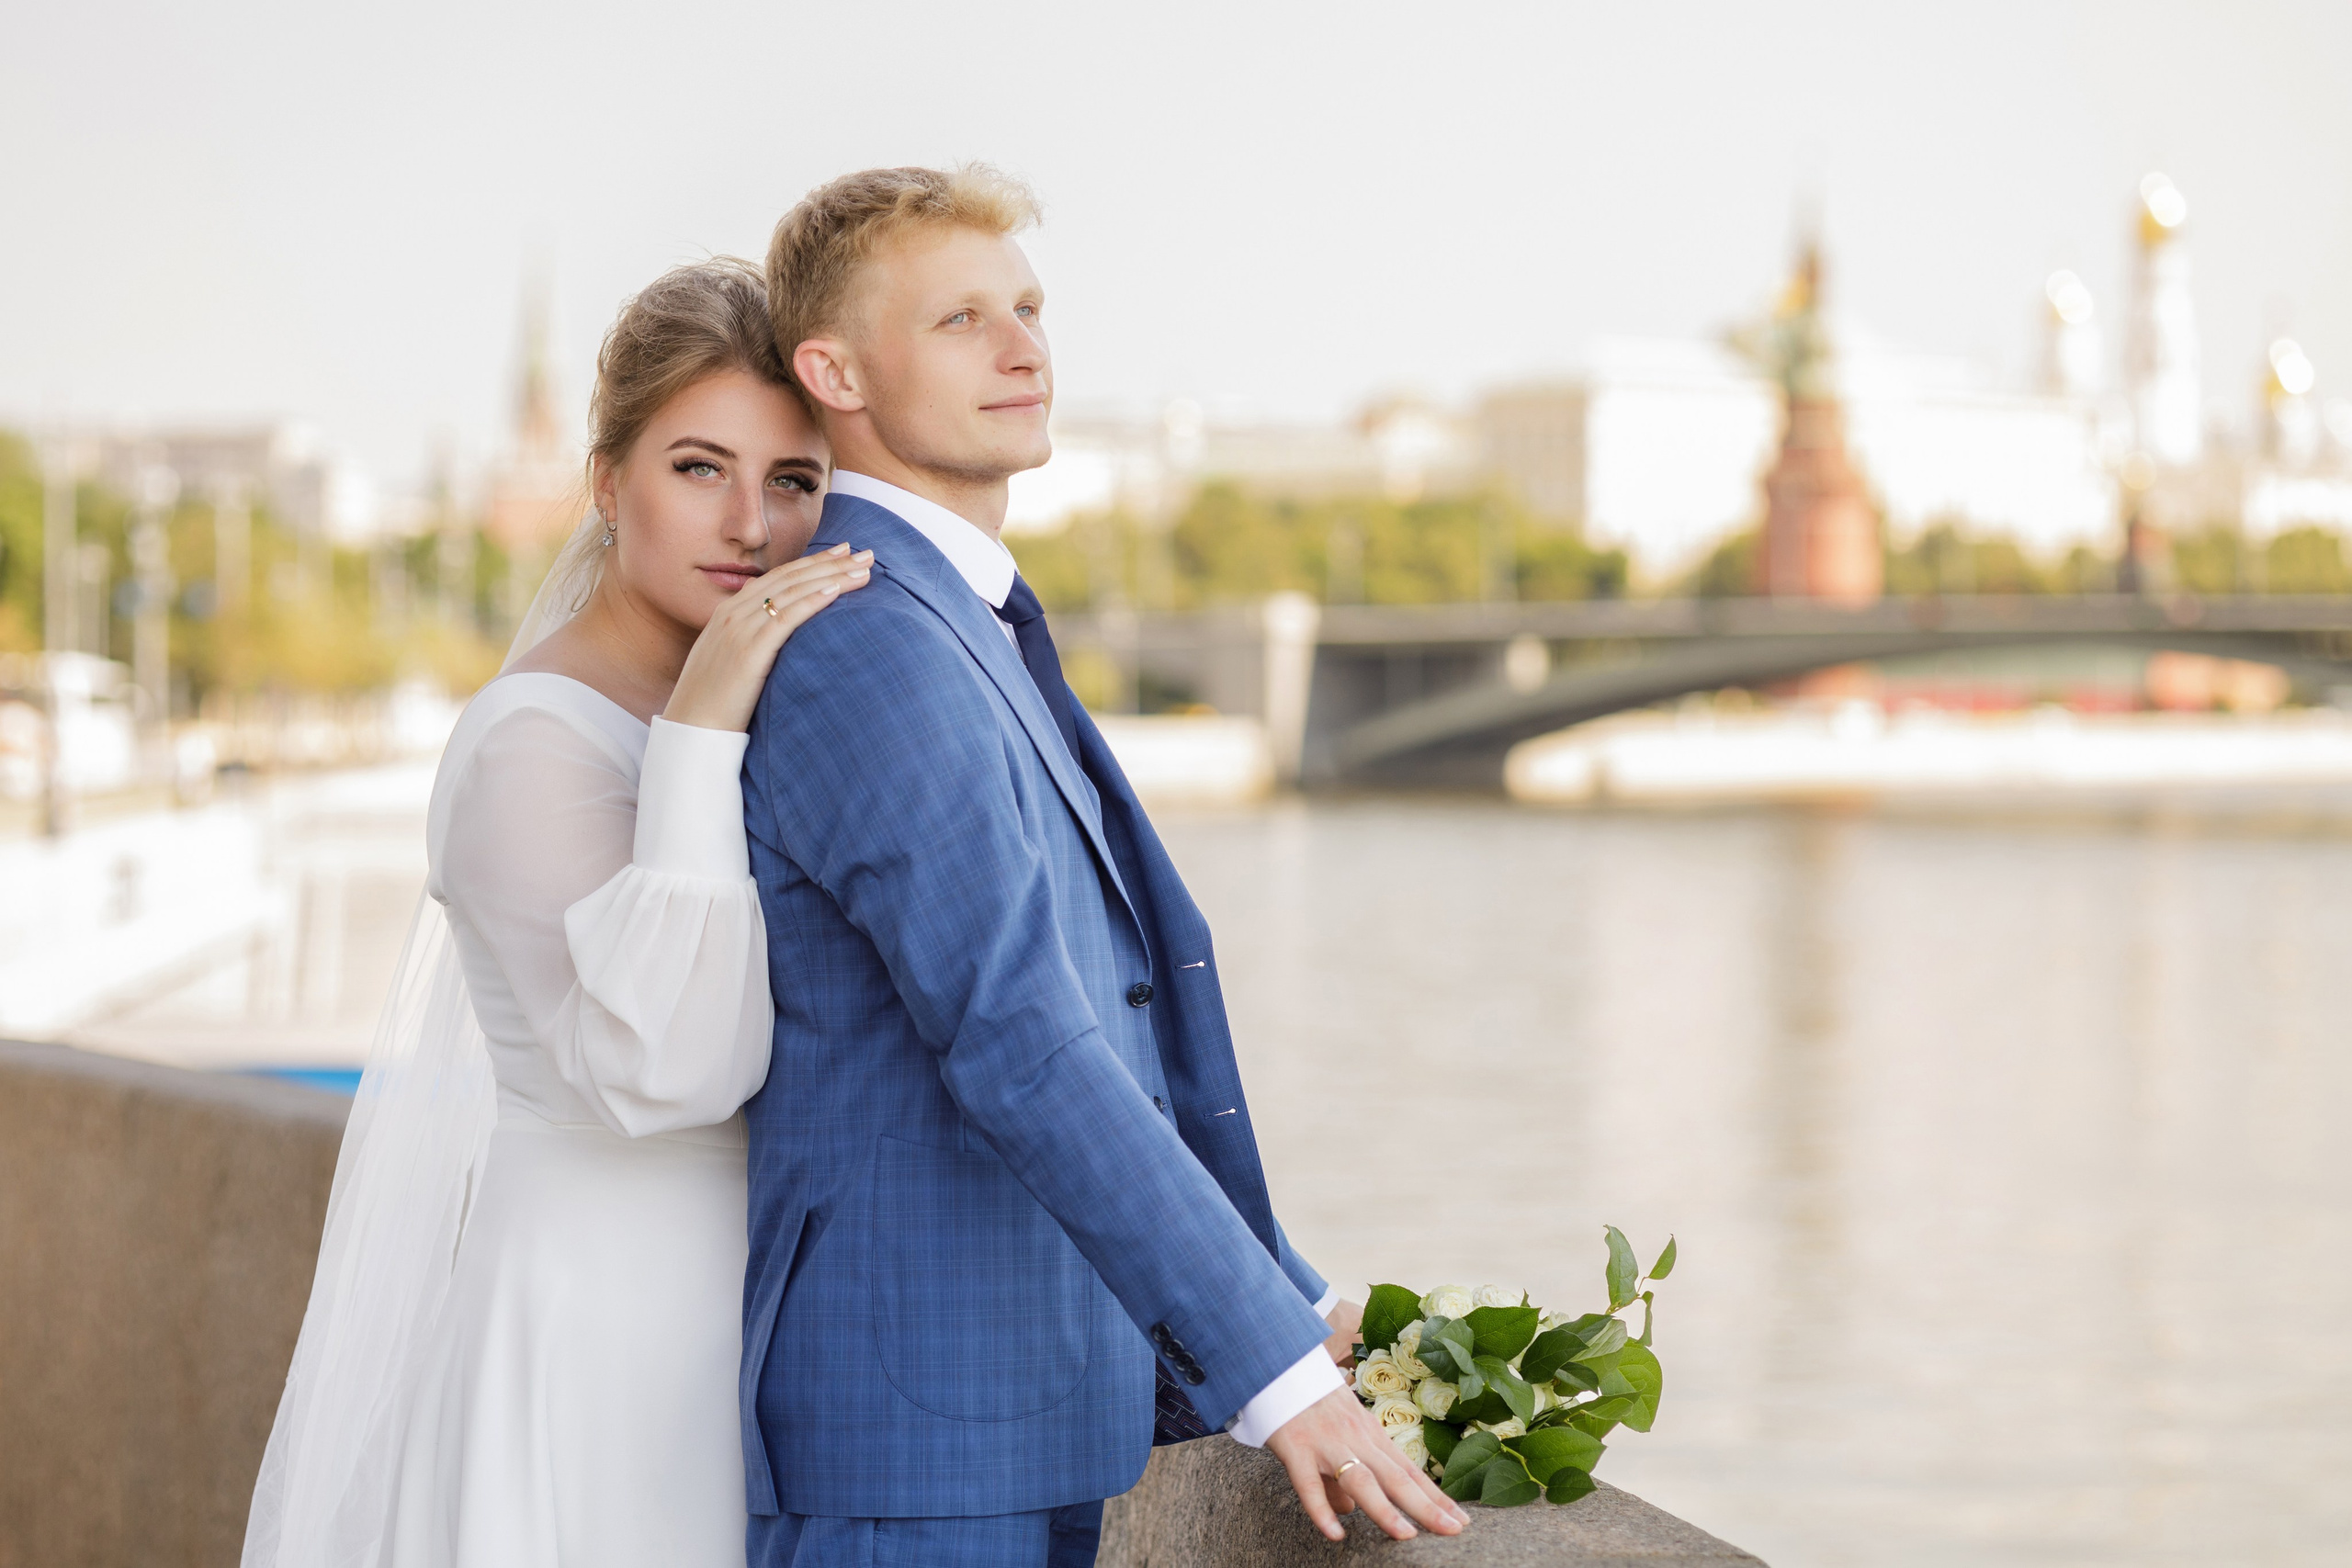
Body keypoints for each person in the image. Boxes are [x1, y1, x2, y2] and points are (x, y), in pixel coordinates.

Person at [738, 166, 1468, 1567]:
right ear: (834, 372)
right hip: (915, 1449)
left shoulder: (955, 613)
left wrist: (1295, 1298)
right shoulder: (875, 642)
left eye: (1029, 308)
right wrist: (1278, 1373)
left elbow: (1106, 1026)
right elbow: (1020, 1037)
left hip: (1005, 1407)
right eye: (961, 319)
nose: (1024, 348)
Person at [242, 259, 871, 1568]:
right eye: (698, 468)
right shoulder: (533, 744)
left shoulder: (791, 708)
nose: (749, 523)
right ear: (606, 484)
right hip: (594, 1331)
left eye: (793, 480)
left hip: (757, 1337)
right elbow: (668, 1071)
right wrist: (700, 729)